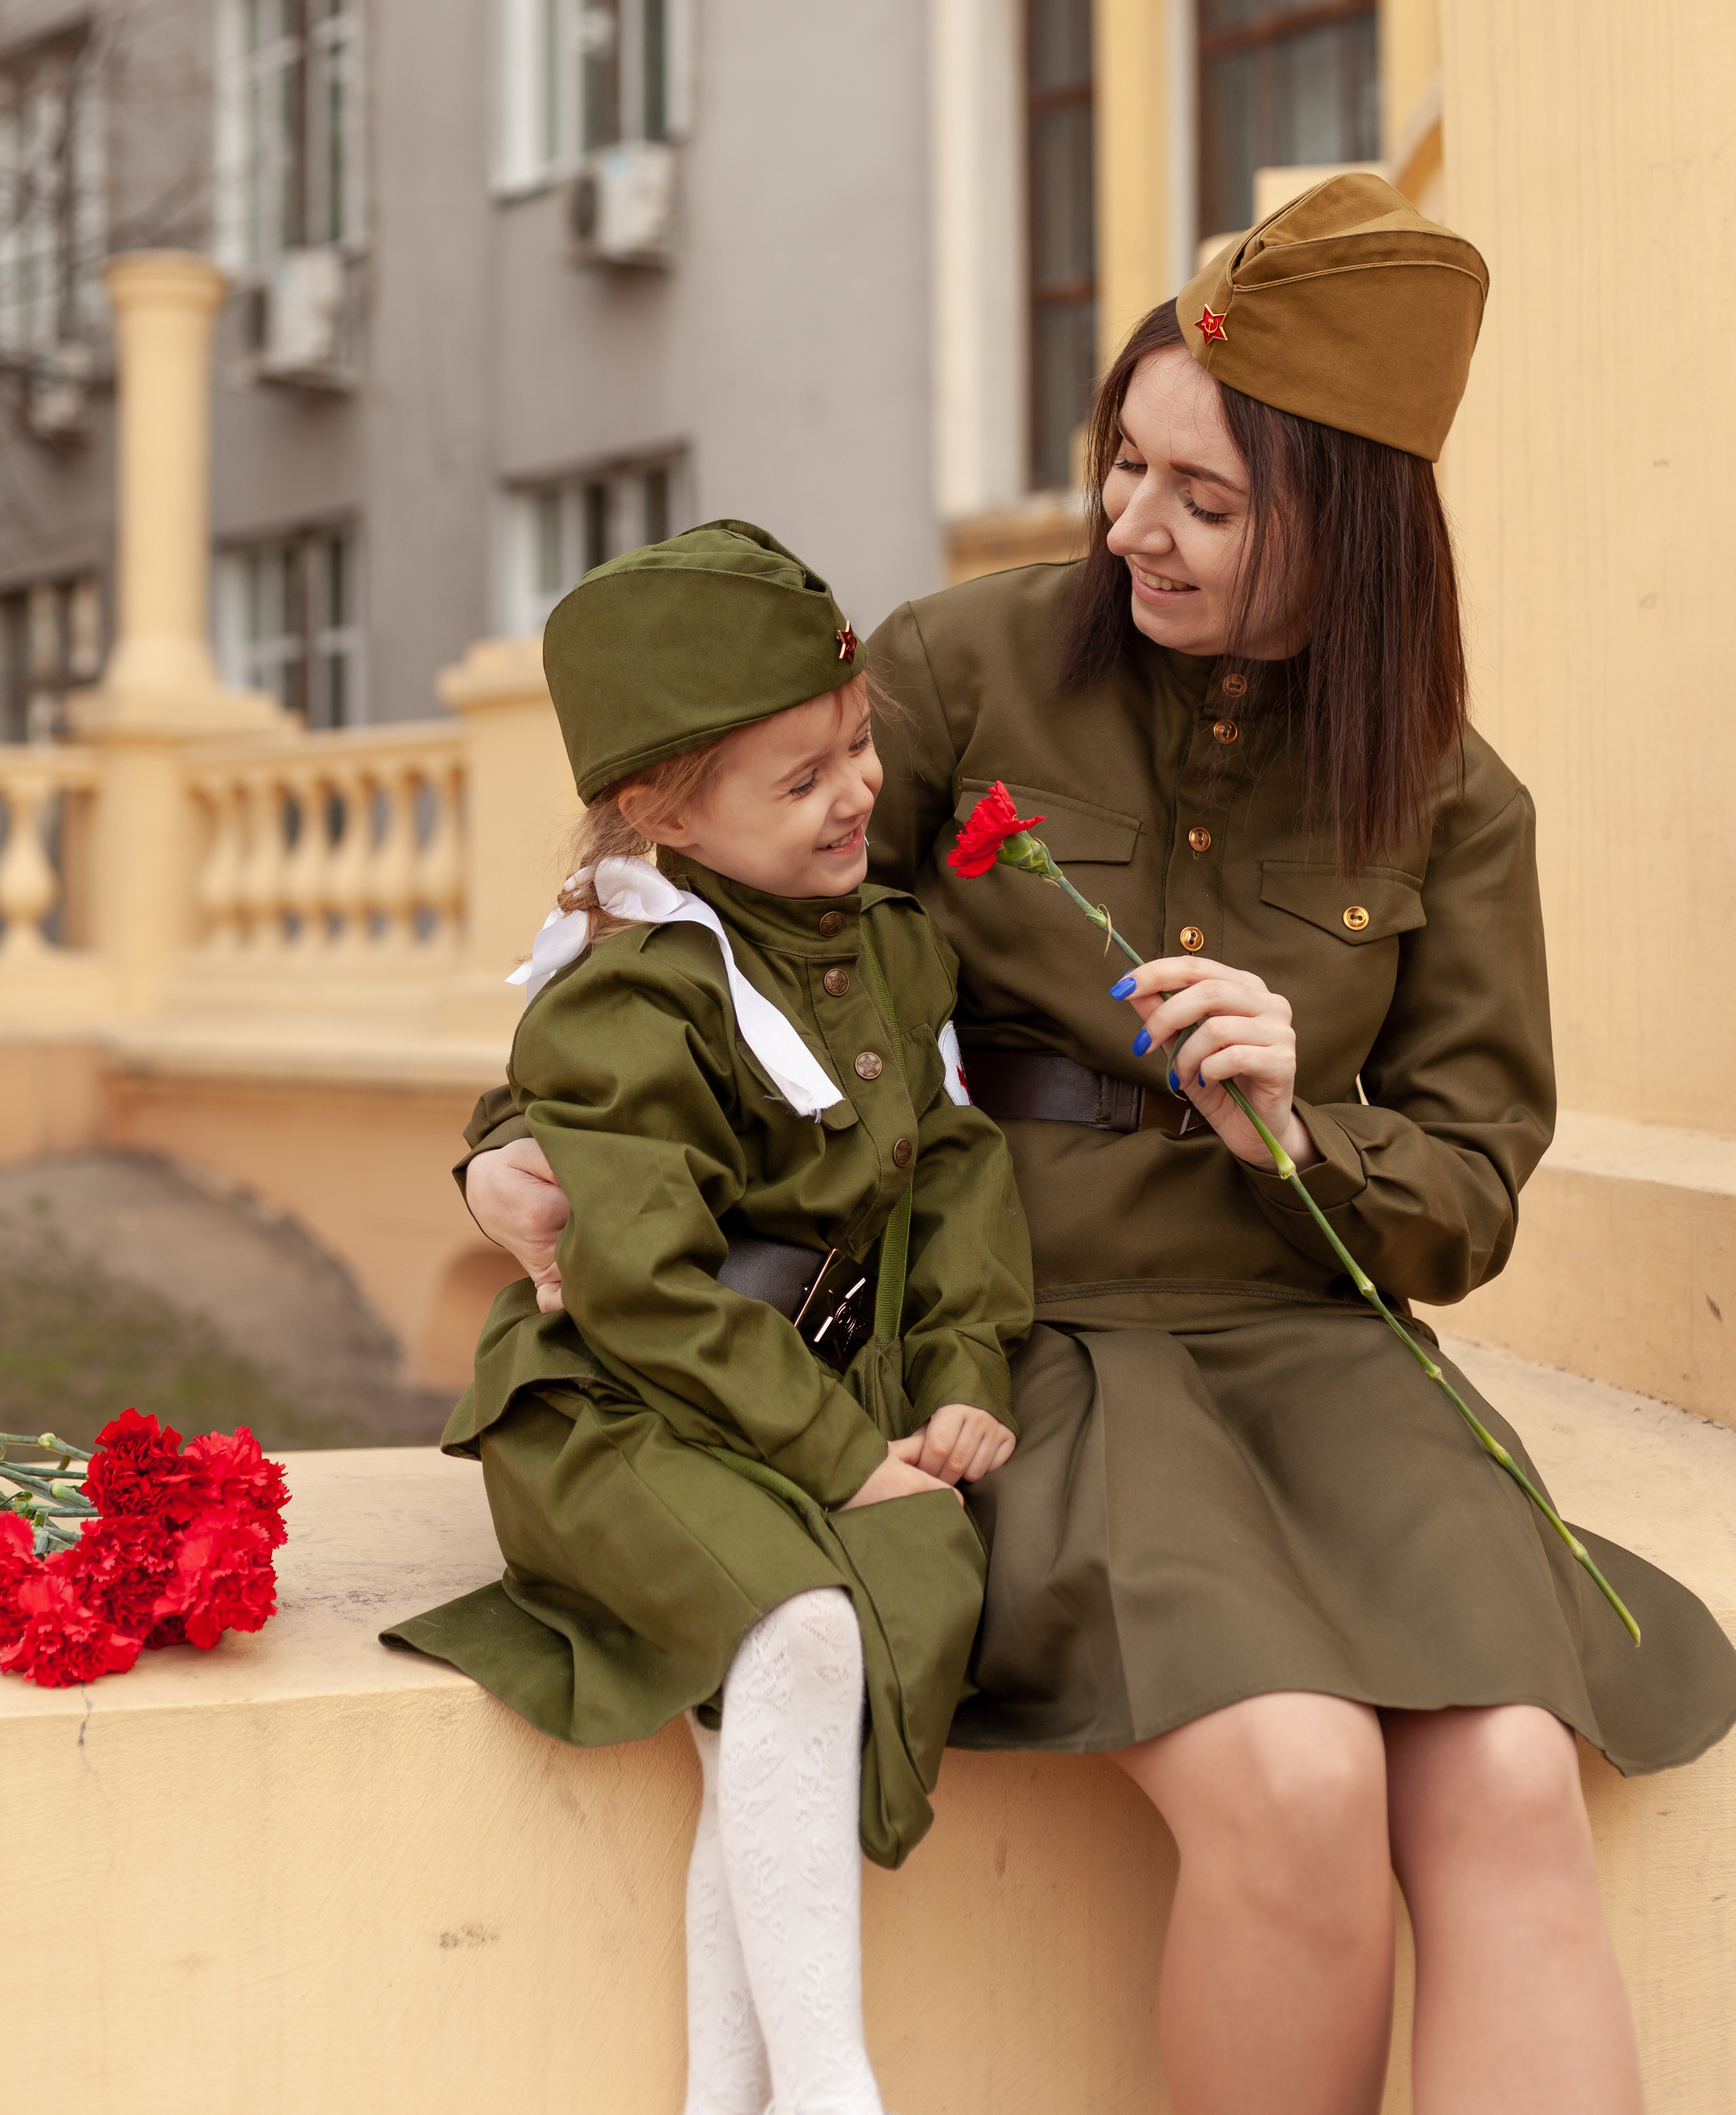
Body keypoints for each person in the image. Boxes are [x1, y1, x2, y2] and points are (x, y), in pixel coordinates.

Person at [463, 177, 1736, 2115]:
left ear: (1355, 533)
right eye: (1126, 462)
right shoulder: (961, 669)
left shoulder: (1457, 799)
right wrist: (507, 1144)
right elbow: (680, 921)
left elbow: (1470, 1191)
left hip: (1316, 1342)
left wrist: (1303, 1115)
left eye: (1207, 501)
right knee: (1298, 1777)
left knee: (1502, 1775)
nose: (1135, 524)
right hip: (1028, 1329)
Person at [386, 520, 1033, 2115]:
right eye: (799, 779)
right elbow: (642, 1285)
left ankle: (736, 2100)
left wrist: (950, 1371)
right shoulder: (631, 991)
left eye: (857, 742)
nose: (856, 792)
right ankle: (833, 2090)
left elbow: (949, 1174)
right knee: (804, 1629)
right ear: (661, 812)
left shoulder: (884, 945)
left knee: (806, 1667)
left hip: (797, 1400)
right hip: (620, 1404)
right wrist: (842, 1452)